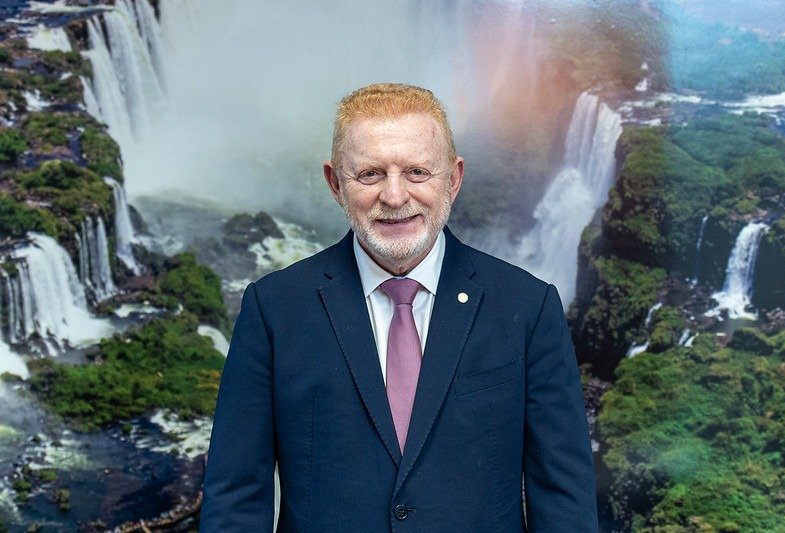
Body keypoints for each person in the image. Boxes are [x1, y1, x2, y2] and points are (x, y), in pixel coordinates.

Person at [200, 83, 598, 532]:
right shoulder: (274, 309)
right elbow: (235, 498)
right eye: (370, 174)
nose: (394, 196)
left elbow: (564, 499)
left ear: (453, 179)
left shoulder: (528, 307)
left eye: (417, 172)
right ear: (335, 184)